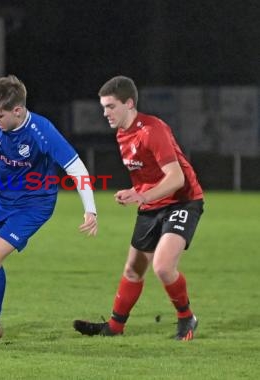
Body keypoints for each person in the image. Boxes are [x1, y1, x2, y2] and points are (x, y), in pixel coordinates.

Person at [0, 75, 98, 347]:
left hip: (34, 205)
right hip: (2, 200)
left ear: (18, 110)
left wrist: (90, 210)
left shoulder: (42, 131)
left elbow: (76, 167)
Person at [73, 76, 204, 341]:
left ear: (129, 103)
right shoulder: (123, 133)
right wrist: (136, 192)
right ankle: (114, 327)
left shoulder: (152, 130)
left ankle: (186, 318)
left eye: (110, 106)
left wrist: (143, 197)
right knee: (133, 269)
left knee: (163, 266)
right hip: (152, 203)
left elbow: (176, 178)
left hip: (182, 201)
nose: (105, 113)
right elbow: (149, 175)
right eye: (103, 107)